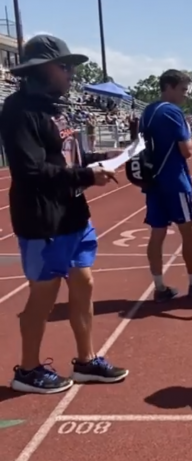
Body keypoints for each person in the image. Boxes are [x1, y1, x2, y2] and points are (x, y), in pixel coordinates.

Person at [0, 35, 129, 393]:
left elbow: (67, 157)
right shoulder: (19, 111)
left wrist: (102, 159)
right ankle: (27, 370)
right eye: (65, 66)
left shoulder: (56, 107)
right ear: (42, 69)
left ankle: (86, 361)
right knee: (43, 296)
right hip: (44, 219)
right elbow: (31, 170)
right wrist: (86, 176)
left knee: (83, 284)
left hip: (73, 214)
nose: (71, 72)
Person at [140, 70, 192, 301]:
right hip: (175, 181)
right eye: (183, 89)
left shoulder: (147, 111)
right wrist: (187, 130)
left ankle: (159, 286)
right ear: (169, 87)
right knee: (187, 232)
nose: (185, 94)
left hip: (153, 181)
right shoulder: (172, 111)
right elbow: (187, 150)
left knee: (157, 233)